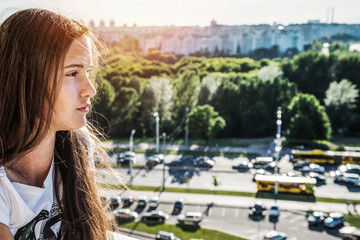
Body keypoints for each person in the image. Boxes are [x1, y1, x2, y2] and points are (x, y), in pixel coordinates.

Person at [0, 8, 116, 240]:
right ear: (27, 79)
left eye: (88, 71)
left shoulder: (78, 148)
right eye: (72, 73)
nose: (90, 90)